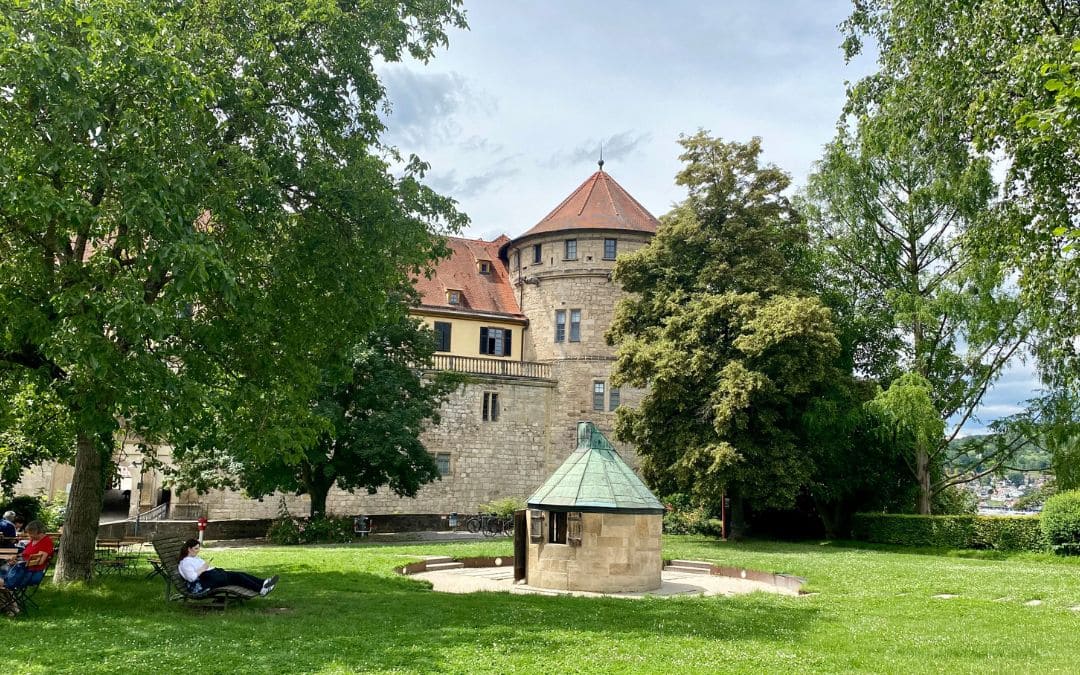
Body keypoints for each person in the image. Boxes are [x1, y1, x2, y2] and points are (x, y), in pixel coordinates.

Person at [177, 539, 278, 596]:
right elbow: (191, 578)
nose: (198, 551)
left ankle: (264, 583)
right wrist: (203, 568)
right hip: (207, 581)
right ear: (189, 549)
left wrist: (206, 566)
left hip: (212, 575)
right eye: (196, 549)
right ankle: (262, 589)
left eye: (199, 548)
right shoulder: (185, 563)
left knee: (239, 574)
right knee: (237, 578)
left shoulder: (195, 558)